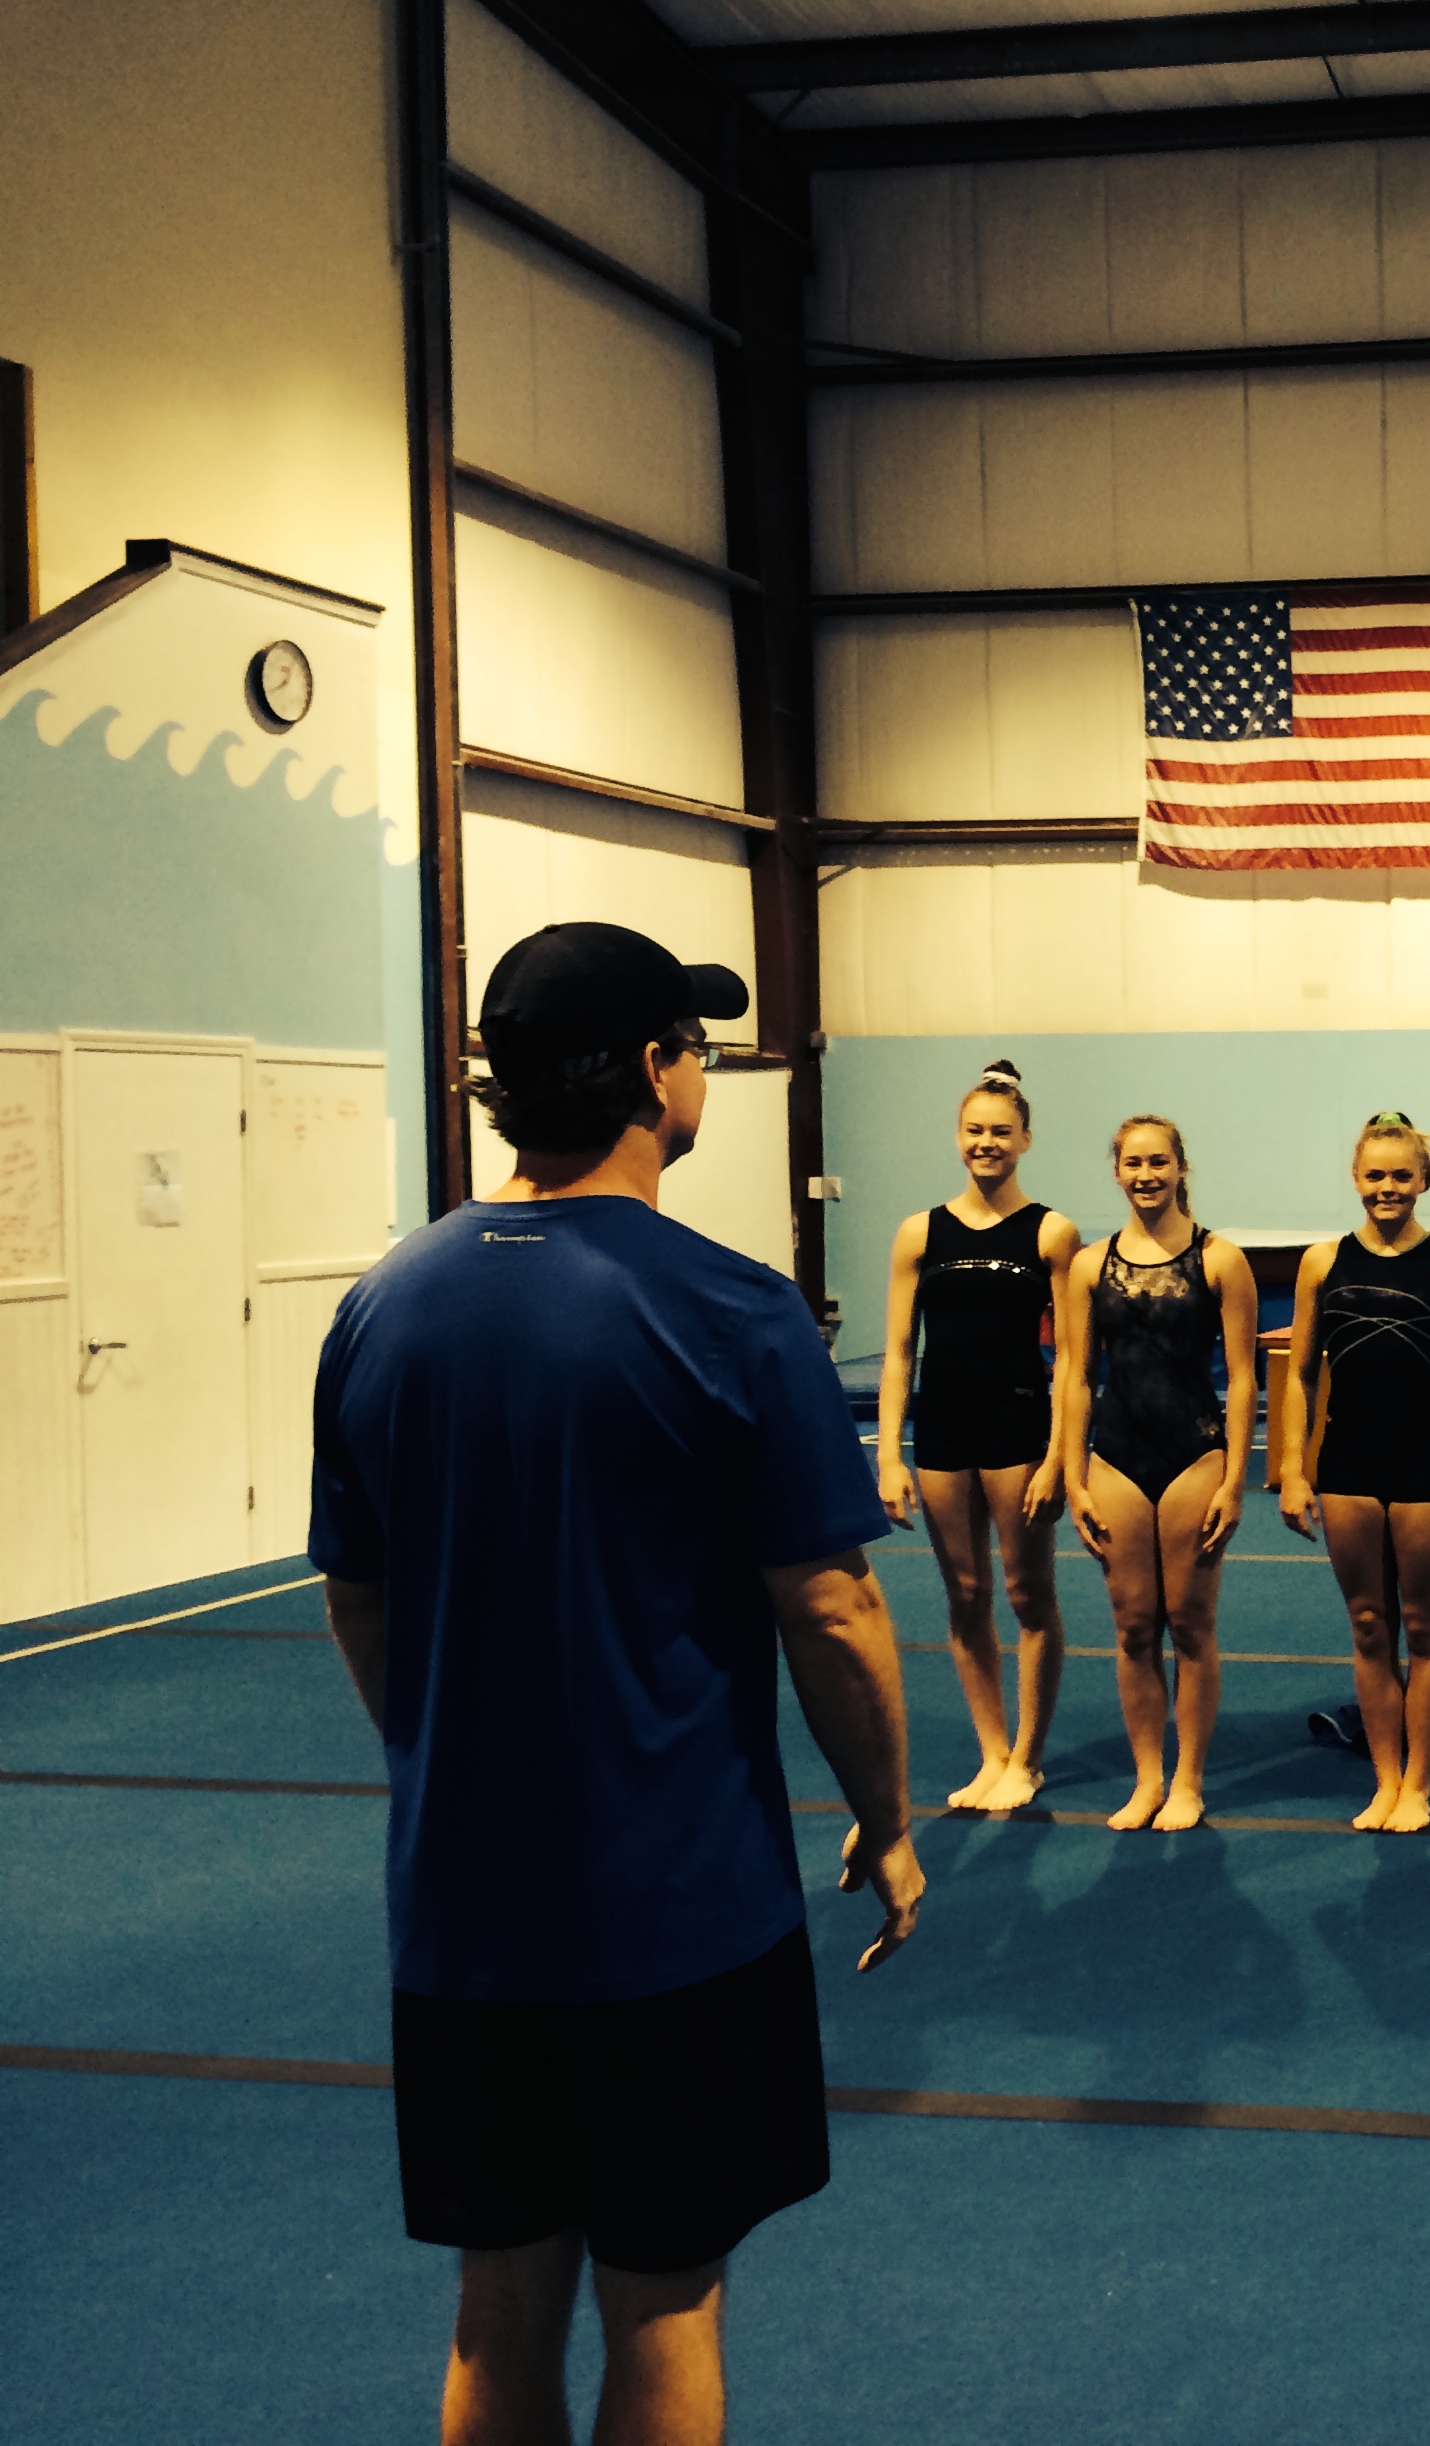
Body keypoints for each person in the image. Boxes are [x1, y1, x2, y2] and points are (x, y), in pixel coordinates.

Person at [309, 921, 921, 2446]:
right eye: (694, 1044)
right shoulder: (732, 1310)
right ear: (654, 1073)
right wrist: (889, 1817)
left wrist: (439, 1763)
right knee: (665, 2304)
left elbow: (359, 1597)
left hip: (463, 1920)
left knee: (499, 2302)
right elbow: (833, 1611)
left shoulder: (382, 1307)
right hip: (679, 1916)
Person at [1281, 1113, 1430, 1832]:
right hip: (1347, 1460)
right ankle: (1385, 1778)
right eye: (1375, 1175)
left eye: (1402, 1175)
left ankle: (1419, 1783)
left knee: (1425, 1624)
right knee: (1370, 1624)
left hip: (1425, 1460)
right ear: (1355, 1178)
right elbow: (1299, 1375)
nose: (1388, 1187)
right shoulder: (1322, 1262)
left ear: (1423, 1180)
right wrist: (1292, 1468)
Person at [874, 1058, 1078, 1812]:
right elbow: (899, 1353)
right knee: (964, 1593)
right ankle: (992, 1752)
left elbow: (1071, 1359)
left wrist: (1059, 1456)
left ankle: (1028, 1756)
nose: (986, 1143)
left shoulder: (1051, 1232)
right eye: (974, 1130)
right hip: (942, 1427)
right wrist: (889, 1455)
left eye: (1000, 1131)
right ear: (958, 1136)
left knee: (1027, 1593)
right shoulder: (918, 1232)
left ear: (1025, 1139)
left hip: (1017, 1425)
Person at [1059, 1114, 1258, 1833]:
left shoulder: (1219, 1259)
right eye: (1133, 1163)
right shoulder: (1090, 1265)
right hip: (1116, 1456)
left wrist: (1234, 1480)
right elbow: (1075, 1375)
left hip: (1194, 1454)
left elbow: (1243, 1377)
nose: (1146, 1175)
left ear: (1181, 1168)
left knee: (1191, 1623)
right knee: (1133, 1625)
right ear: (1117, 1171)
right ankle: (1147, 1777)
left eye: (1158, 1162)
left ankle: (1189, 1780)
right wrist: (1073, 1475)